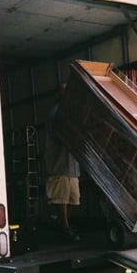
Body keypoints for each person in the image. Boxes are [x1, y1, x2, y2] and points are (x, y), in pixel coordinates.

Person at [44, 89, 81, 242]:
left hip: (71, 166)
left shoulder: (68, 113)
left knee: (74, 199)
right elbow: (64, 136)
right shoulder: (56, 115)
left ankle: (61, 223)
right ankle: (65, 228)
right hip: (59, 164)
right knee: (61, 199)